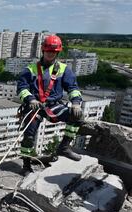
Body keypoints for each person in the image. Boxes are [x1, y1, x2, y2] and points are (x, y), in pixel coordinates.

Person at [16, 35, 84, 175]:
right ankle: (26, 164)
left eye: (53, 51)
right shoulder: (30, 69)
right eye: (48, 51)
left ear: (57, 52)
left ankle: (64, 147)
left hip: (53, 105)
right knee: (28, 137)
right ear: (43, 50)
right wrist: (30, 99)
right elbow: (21, 88)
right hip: (34, 107)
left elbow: (73, 88)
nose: (50, 53)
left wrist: (76, 103)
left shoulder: (64, 69)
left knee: (77, 116)